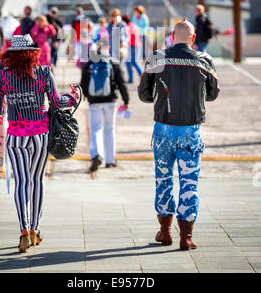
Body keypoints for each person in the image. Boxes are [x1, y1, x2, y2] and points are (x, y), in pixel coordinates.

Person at [0, 34, 79, 253]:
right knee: (37, 180)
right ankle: (36, 230)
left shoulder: (3, 76)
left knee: (22, 182)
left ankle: (24, 230)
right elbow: (58, 102)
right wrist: (75, 96)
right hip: (40, 134)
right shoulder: (44, 72)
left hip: (17, 137)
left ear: (10, 56)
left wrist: (5, 100)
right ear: (33, 53)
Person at [138, 18, 219, 251]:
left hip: (163, 128)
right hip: (191, 129)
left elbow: (144, 95)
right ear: (193, 38)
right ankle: (186, 236)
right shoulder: (204, 60)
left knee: (163, 179)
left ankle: (165, 232)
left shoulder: (157, 58)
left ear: (172, 36)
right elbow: (212, 95)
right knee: (189, 182)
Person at [80, 38, 129, 172]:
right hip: (110, 101)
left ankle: (96, 155)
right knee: (109, 129)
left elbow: (83, 83)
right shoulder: (113, 63)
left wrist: (85, 96)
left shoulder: (90, 64)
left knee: (95, 129)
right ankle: (110, 160)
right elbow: (122, 84)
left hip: (94, 101)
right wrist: (126, 101)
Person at [122, 15, 143, 84]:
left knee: (129, 62)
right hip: (138, 45)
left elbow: (126, 37)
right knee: (136, 62)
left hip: (131, 45)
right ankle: (144, 77)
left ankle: (131, 79)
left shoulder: (126, 27)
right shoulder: (135, 25)